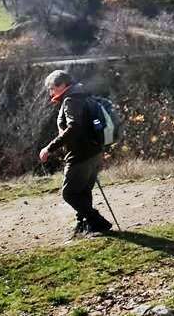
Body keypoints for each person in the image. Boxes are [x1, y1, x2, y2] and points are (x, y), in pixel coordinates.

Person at [38, 70, 113, 237]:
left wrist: (49, 148)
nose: (51, 92)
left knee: (69, 193)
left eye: (52, 88)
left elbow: (74, 128)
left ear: (62, 85)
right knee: (83, 191)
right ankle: (84, 225)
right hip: (94, 151)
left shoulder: (71, 100)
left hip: (81, 154)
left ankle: (98, 222)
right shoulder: (82, 95)